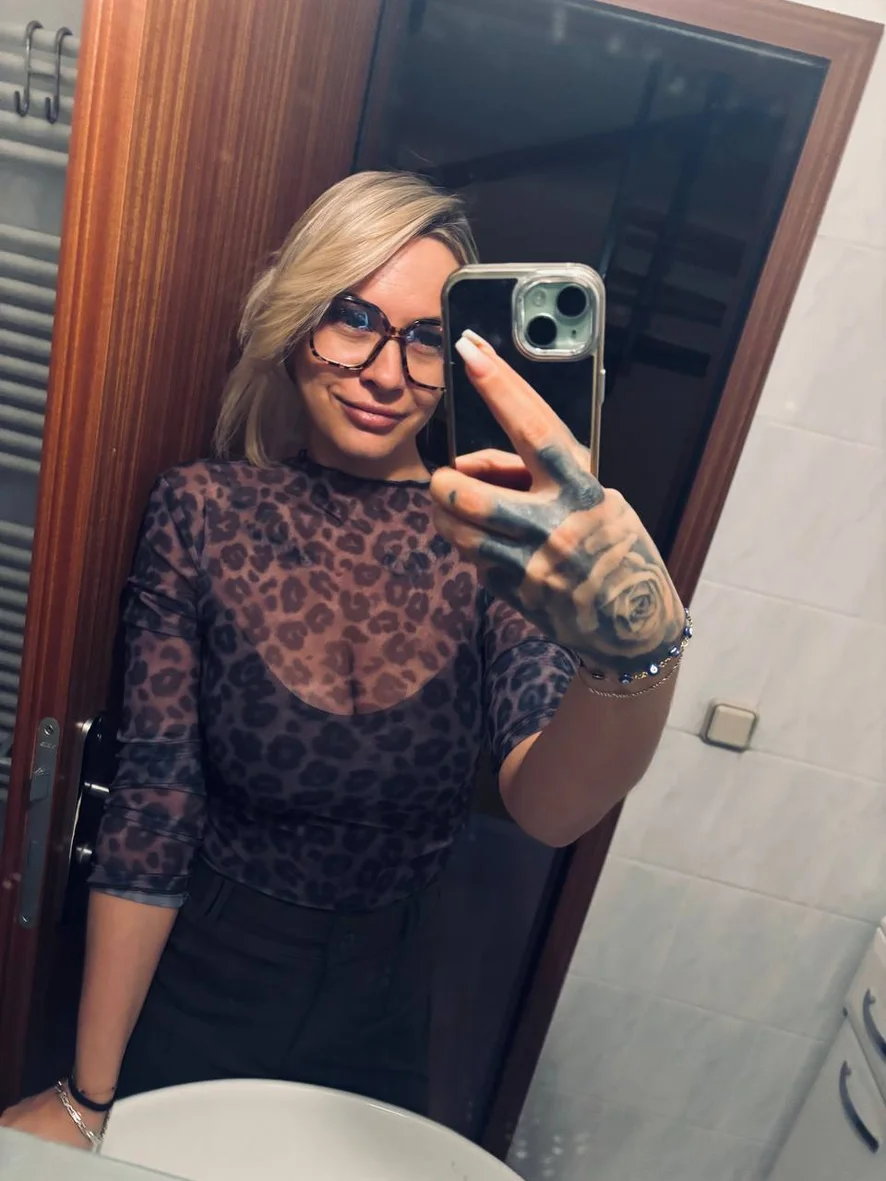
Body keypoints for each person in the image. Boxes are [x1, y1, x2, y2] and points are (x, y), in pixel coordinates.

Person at [1, 171, 688, 1150]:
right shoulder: (202, 511)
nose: (383, 371)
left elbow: (551, 808)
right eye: (353, 317)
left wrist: (638, 657)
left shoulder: (487, 536)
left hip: (388, 996)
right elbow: (153, 808)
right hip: (203, 972)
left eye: (425, 339)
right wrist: (87, 1096)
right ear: (296, 318)